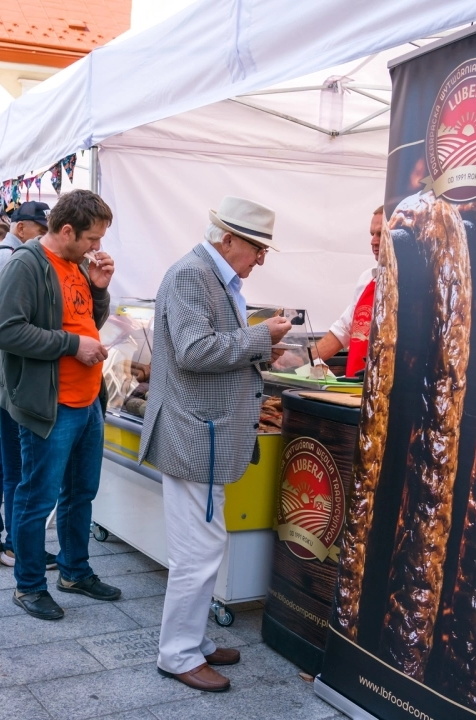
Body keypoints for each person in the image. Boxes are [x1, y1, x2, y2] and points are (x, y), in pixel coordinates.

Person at [139, 196, 293, 692]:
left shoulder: (210, 274)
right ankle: (178, 654)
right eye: (257, 248)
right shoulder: (192, 274)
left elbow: (208, 349)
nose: (261, 259)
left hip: (203, 432)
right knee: (199, 550)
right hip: (194, 434)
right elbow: (194, 350)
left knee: (203, 546)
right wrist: (260, 339)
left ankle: (194, 641)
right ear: (227, 240)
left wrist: (260, 347)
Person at [0, 190, 122, 620]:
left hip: (86, 402)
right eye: (92, 239)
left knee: (81, 493)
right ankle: (29, 586)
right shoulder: (27, 264)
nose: (97, 248)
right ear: (67, 230)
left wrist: (99, 291)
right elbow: (7, 332)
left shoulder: (76, 266)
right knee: (38, 496)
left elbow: (86, 321)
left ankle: (74, 571)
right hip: (49, 405)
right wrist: (72, 345)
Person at [0, 201, 51, 569]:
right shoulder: (11, 260)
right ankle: (14, 546)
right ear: (22, 228)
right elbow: (8, 328)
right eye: (40, 229)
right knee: (13, 465)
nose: (44, 236)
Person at [311, 205, 385, 375]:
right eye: (372, 234)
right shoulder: (367, 278)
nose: (373, 241)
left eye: (381, 234)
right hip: (354, 390)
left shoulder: (415, 285)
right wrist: (304, 360)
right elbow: (343, 330)